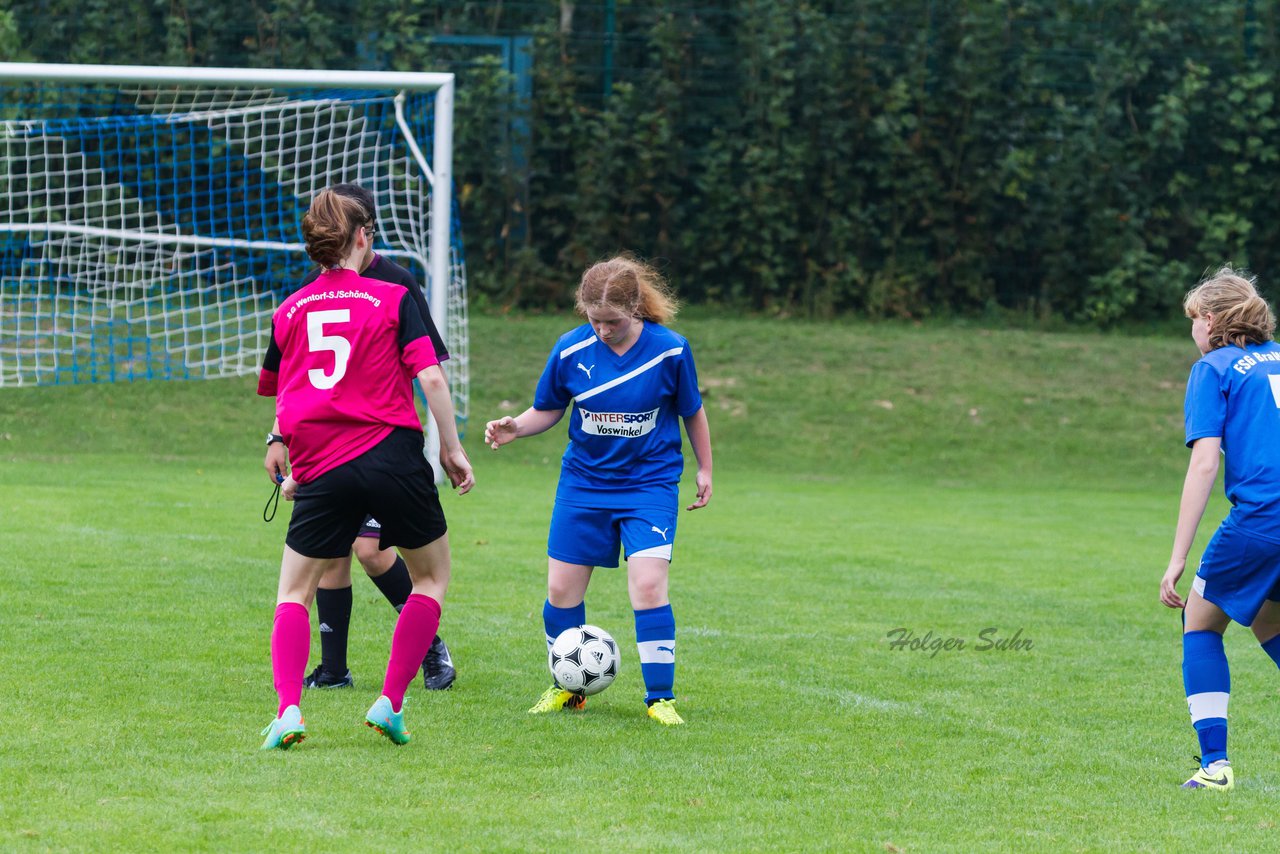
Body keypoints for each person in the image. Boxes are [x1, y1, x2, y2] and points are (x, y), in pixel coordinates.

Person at [257, 188, 473, 749]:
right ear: (362, 237)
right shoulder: (392, 297)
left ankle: (288, 712)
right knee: (431, 578)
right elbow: (429, 378)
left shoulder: (289, 310)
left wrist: (284, 442)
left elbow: (284, 387)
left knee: (290, 594)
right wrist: (450, 449)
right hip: (392, 457)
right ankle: (390, 703)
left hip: (323, 466)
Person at [484, 255, 712, 726]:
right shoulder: (570, 350)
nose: (603, 331)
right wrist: (515, 428)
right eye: (595, 321)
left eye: (612, 322)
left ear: (635, 308)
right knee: (560, 590)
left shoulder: (670, 350)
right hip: (584, 484)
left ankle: (659, 699)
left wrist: (705, 468)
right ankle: (567, 689)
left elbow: (692, 409)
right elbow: (547, 409)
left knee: (648, 585)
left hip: (649, 483)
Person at [1160, 266, 1280, 790]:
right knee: (1270, 624)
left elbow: (1205, 463)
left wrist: (1178, 556)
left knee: (1201, 623)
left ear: (1210, 320)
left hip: (1262, 519)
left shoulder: (1214, 367)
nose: (1192, 331)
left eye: (1192, 320)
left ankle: (1215, 767)